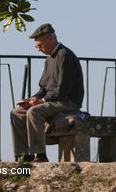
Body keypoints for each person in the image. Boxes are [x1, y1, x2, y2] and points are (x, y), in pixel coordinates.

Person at [10, 23, 84, 162]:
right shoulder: (49, 58)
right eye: (37, 46)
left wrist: (42, 101)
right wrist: (30, 100)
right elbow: (43, 88)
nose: (39, 49)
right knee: (17, 112)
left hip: (68, 101)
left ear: (50, 39)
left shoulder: (64, 55)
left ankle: (40, 155)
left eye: (40, 45)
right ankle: (25, 154)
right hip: (54, 100)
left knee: (34, 112)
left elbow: (63, 89)